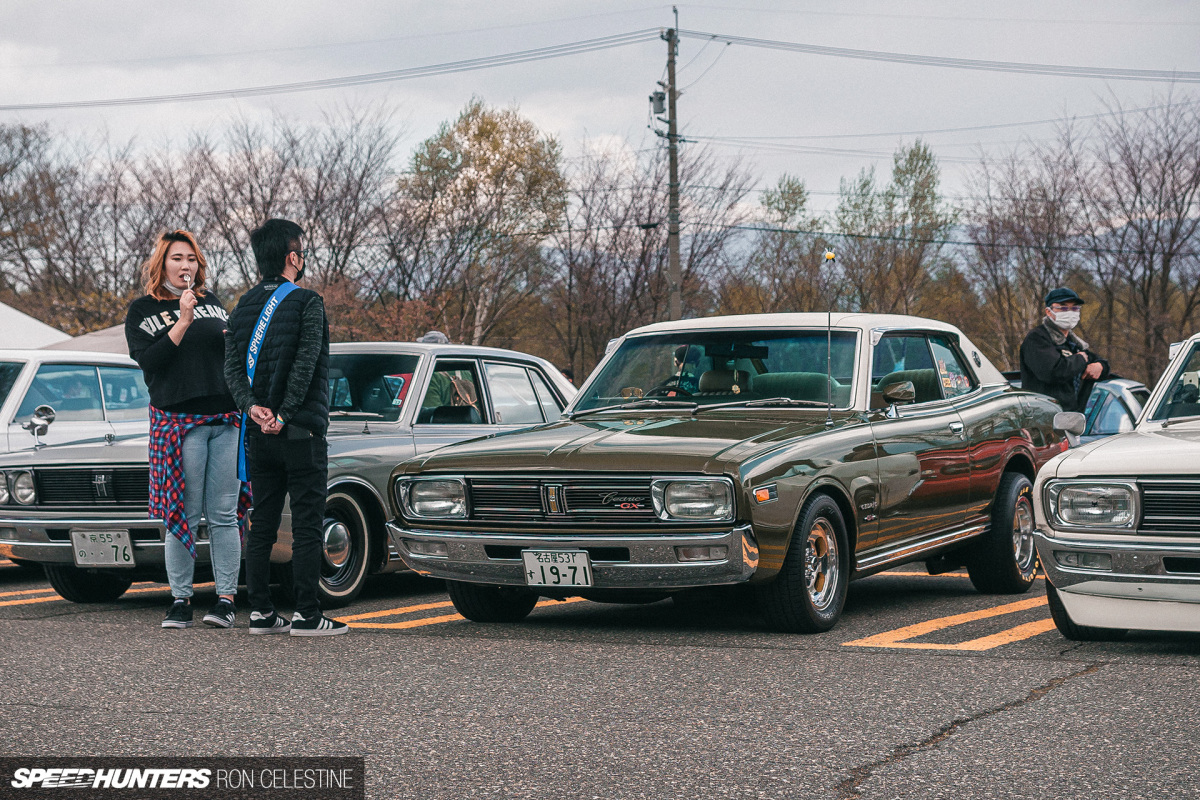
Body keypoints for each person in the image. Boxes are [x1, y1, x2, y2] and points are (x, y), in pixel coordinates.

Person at [224, 219, 347, 637]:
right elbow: (307, 361)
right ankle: (307, 615)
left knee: (263, 522)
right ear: (293, 257)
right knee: (308, 524)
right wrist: (286, 412)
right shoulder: (307, 301)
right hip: (301, 432)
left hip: (257, 434)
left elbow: (232, 370)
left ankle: (260, 612)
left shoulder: (240, 308)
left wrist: (253, 407)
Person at [125, 230, 249, 630]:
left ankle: (227, 598)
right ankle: (181, 599)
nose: (186, 266)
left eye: (192, 259)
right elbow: (151, 363)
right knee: (183, 513)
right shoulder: (142, 310)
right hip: (181, 424)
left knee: (224, 514)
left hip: (226, 420)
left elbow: (232, 356)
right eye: (178, 259)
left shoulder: (213, 302)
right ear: (162, 264)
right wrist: (182, 319)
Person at [1019, 287, 1109, 413]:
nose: (1069, 312)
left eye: (1074, 308)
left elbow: (1100, 362)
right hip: (1043, 416)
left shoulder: (1073, 344)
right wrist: (1080, 359)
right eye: (1063, 307)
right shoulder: (1037, 338)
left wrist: (1100, 366)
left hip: (1071, 417)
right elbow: (1053, 372)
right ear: (1049, 312)